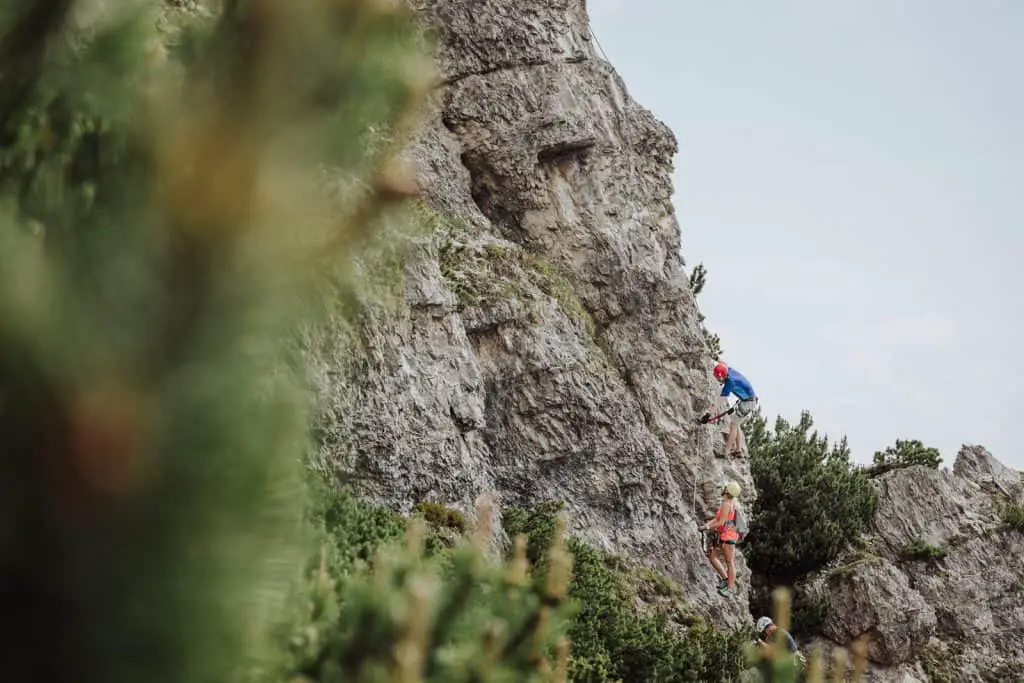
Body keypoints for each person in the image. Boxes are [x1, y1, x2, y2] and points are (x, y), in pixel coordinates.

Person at [703, 480, 741, 597]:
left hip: (727, 538)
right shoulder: (732, 502)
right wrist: (706, 525)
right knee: (712, 556)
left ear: (727, 490)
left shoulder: (727, 504)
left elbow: (721, 522)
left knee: (730, 562)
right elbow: (718, 519)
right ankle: (725, 579)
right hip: (725, 536)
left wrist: (708, 527)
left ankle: (729, 589)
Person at [713, 361, 758, 457]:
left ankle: (726, 452)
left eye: (718, 378)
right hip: (748, 400)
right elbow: (722, 363)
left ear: (722, 376)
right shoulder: (727, 370)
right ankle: (738, 450)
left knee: (733, 425)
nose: (717, 380)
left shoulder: (730, 382)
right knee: (736, 424)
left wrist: (709, 413)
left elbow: (721, 399)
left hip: (748, 402)